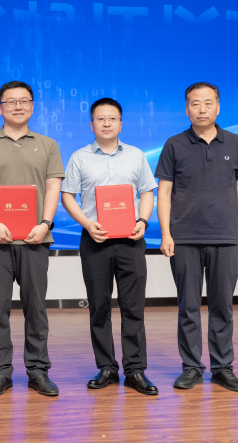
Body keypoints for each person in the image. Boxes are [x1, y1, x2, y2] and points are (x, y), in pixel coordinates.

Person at [0, 80, 65, 397]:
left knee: (36, 309)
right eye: (11, 101)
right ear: (0, 108)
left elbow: (53, 187)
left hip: (36, 239)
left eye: (24, 101)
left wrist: (45, 224)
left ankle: (38, 371)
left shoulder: (48, 145)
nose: (18, 106)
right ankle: (1, 373)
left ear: (32, 106)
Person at [155, 82, 238, 392]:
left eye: (208, 103)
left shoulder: (235, 142)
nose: (202, 109)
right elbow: (164, 193)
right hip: (184, 237)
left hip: (226, 236)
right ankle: (191, 368)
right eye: (195, 103)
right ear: (186, 109)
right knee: (188, 307)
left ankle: (223, 368)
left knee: (222, 306)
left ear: (218, 107)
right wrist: (166, 234)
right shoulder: (174, 144)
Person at [61, 97, 159, 395]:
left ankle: (135, 369)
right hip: (95, 240)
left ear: (121, 123)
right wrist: (87, 224)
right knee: (99, 307)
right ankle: (106, 367)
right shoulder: (79, 157)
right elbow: (68, 196)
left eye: (112, 118)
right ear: (91, 124)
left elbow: (147, 192)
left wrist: (143, 220)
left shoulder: (136, 155)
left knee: (133, 307)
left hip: (131, 240)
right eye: (100, 119)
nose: (106, 123)